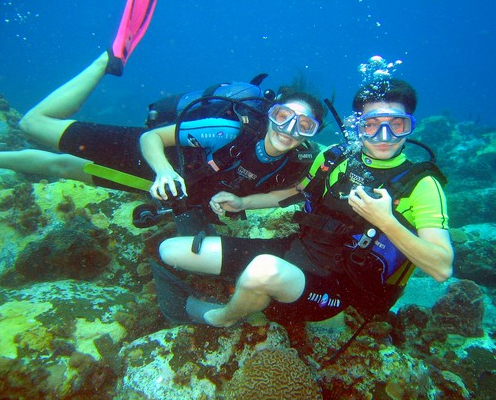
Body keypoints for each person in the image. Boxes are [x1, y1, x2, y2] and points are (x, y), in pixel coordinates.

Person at [0, 0, 325, 236]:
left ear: (313, 132)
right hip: (156, 162)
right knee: (32, 125)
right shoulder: (227, 129)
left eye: (304, 125)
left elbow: (293, 191)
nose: (289, 129)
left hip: (171, 188)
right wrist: (164, 172)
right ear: (270, 113)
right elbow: (150, 138)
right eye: (283, 116)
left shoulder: (299, 159)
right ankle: (108, 60)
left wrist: (242, 202)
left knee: (63, 167)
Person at [156, 79, 454, 328]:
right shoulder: (334, 159)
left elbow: (441, 268)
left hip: (338, 288)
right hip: (294, 252)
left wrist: (386, 220)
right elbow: (293, 192)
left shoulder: (423, 184)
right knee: (171, 250)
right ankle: (254, 292)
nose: (383, 136)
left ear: (411, 127)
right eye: (372, 124)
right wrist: (242, 200)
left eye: (397, 125)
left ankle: (222, 318)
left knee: (263, 270)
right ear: (358, 126)